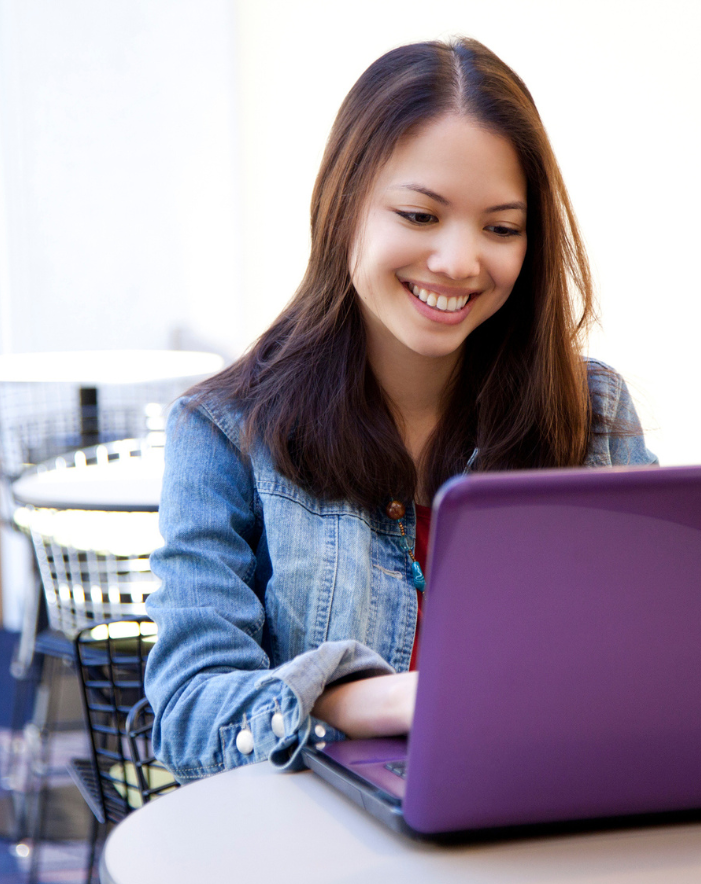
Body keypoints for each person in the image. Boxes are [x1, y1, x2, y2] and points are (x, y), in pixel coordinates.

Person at [145, 37, 656, 782]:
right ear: (344, 206)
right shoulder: (225, 429)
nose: (459, 261)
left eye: (502, 227)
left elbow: (657, 656)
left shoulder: (592, 412)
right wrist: (373, 702)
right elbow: (191, 715)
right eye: (420, 215)